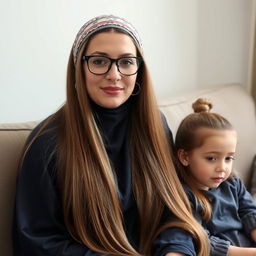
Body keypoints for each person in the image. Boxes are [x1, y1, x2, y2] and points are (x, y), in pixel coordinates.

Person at [12, 15, 209, 256]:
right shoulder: (46, 144)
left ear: (139, 70)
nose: (114, 74)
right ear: (78, 69)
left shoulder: (155, 125)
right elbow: (37, 242)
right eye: (99, 61)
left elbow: (174, 206)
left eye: (126, 62)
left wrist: (176, 250)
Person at [174, 98, 256, 256]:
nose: (222, 168)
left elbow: (249, 212)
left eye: (229, 158)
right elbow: (202, 242)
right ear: (185, 157)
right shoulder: (184, 196)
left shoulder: (232, 182)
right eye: (211, 158)